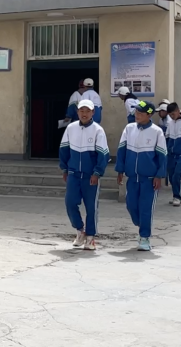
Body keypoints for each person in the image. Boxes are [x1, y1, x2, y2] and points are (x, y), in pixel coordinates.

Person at [115, 100, 168, 252]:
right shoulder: (129, 128)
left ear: (149, 115)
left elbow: (162, 156)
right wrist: (120, 170)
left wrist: (159, 175)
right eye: (136, 112)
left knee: (146, 208)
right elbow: (121, 151)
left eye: (141, 113)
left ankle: (145, 237)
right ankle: (142, 224)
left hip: (149, 179)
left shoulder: (157, 132)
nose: (137, 115)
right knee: (131, 206)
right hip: (132, 177)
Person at [59, 100, 110, 250]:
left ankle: (90, 238)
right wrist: (64, 169)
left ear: (93, 112)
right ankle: (80, 230)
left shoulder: (98, 130)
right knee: (70, 202)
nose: (84, 114)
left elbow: (103, 155)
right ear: (77, 112)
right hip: (74, 173)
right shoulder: (71, 128)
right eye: (82, 110)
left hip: (90, 175)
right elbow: (64, 150)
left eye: (88, 111)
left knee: (91, 207)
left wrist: (97, 172)